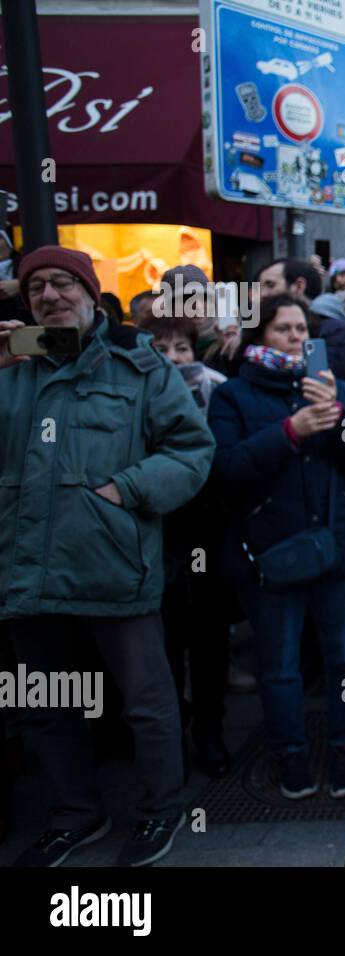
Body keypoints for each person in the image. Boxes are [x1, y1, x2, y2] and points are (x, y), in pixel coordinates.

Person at [1, 246, 215, 867]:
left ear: (92, 295)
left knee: (145, 703)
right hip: (25, 566)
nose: (49, 296)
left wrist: (126, 492)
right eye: (36, 286)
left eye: (64, 283)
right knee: (44, 703)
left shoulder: (140, 364)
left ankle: (159, 813)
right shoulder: (12, 362)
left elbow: (191, 450)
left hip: (111, 562)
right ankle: (76, 814)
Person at [208, 292, 345, 801]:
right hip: (271, 551)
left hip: (340, 549)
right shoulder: (233, 397)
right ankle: (289, 753)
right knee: (279, 666)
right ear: (260, 336)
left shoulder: (335, 387)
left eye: (303, 329)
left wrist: (336, 415)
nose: (298, 338)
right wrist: (290, 431)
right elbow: (225, 472)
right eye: (285, 329)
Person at [136, 310, 235, 778]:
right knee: (165, 645)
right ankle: (172, 737)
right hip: (155, 534)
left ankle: (210, 733)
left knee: (210, 641)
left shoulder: (216, 391)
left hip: (207, 534)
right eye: (162, 349)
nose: (174, 360)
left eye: (182, 349)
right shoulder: (131, 397)